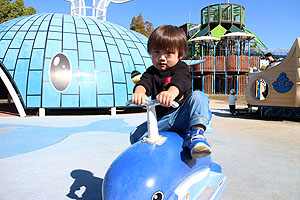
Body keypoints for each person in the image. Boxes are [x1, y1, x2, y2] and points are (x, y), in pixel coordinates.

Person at [130, 25, 212, 158]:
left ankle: (197, 135)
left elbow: (180, 82)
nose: (162, 57)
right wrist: (139, 92)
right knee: (135, 135)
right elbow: (143, 83)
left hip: (181, 116)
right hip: (161, 120)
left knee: (199, 95)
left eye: (168, 53)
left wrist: (171, 93)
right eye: (156, 52)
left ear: (180, 54)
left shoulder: (181, 67)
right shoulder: (151, 71)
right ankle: (145, 158)